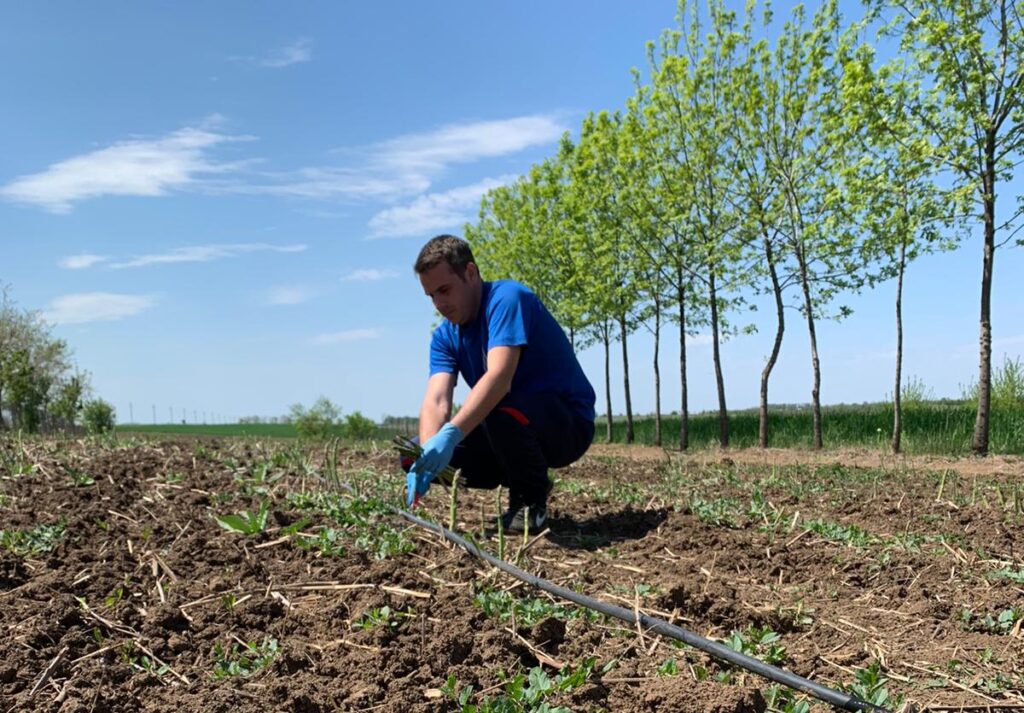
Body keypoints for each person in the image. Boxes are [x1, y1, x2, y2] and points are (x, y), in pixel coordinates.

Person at [402, 234, 596, 532]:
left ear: (470, 273)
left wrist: (451, 435)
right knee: (411, 452)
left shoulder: (506, 299)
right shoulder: (444, 336)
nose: (439, 304)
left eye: (445, 290)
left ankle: (530, 501)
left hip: (565, 424)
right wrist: (429, 452)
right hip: (509, 427)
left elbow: (499, 378)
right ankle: (524, 474)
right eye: (431, 296)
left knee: (495, 402)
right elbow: (437, 400)